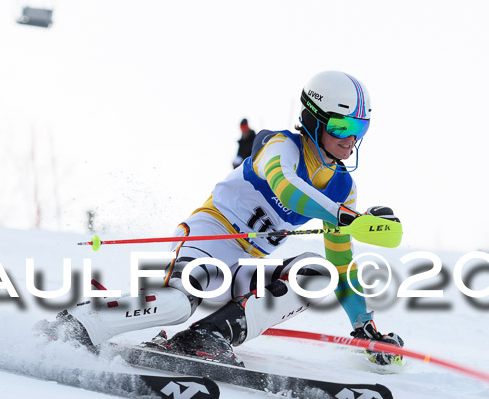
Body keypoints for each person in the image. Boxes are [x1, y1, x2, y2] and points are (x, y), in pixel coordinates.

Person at [37, 71, 404, 367]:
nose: (350, 140)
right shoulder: (279, 146)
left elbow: (342, 264)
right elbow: (287, 186)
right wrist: (344, 215)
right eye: (341, 127)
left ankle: (208, 337)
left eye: (360, 130)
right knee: (176, 305)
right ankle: (76, 324)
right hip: (209, 243)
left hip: (245, 268)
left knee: (316, 273)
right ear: (312, 120)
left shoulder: (343, 186)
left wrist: (364, 327)